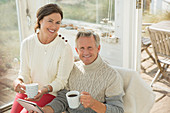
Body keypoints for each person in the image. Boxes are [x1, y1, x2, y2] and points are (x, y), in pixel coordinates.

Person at [31, 31, 124, 113]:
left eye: (90, 47)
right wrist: (44, 110)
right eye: (82, 48)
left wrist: (93, 104)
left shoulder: (112, 76)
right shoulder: (72, 68)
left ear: (98, 48)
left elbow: (118, 110)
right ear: (77, 50)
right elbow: (63, 99)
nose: (86, 52)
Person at [11, 3, 74, 113]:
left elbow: (61, 81)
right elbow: (24, 73)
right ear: (40, 20)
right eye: (50, 21)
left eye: (57, 23)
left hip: (49, 94)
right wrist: (18, 81)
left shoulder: (64, 48)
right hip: (28, 92)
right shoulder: (27, 43)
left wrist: (44, 90)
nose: (54, 26)